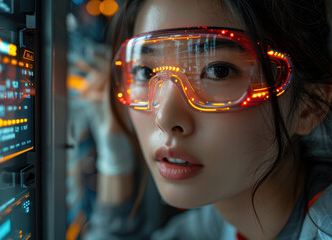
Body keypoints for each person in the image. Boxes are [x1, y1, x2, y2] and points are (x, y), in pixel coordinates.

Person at [85, 0, 332, 239]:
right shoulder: (216, 223)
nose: (164, 118)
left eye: (218, 71)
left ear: (308, 107)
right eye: (145, 72)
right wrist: (114, 158)